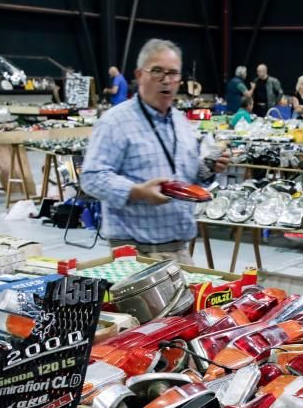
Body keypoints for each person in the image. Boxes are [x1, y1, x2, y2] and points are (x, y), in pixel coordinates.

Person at [80, 39, 230, 264]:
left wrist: (209, 168)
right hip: (136, 252)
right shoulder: (116, 122)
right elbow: (91, 178)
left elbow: (185, 176)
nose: (166, 81)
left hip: (179, 248)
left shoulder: (180, 122)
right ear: (139, 75)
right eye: (157, 71)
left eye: (173, 73)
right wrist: (136, 191)